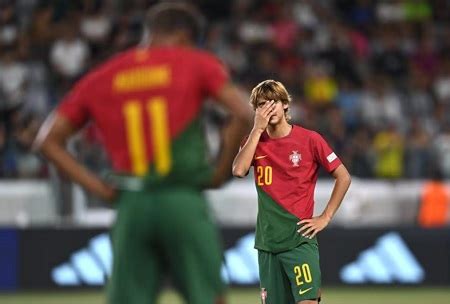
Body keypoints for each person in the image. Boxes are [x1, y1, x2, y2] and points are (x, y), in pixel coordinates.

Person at [34, 2, 251, 304]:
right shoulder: (195, 63)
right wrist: (221, 171)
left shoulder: (103, 76)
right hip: (182, 199)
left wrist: (98, 188)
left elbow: (47, 141)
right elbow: (244, 112)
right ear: (184, 36)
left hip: (132, 202)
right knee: (209, 298)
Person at [232, 80, 351, 304]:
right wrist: (257, 128)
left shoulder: (310, 139)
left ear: (285, 105)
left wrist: (325, 217)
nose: (268, 108)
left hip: (300, 240)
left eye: (273, 102)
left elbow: (343, 176)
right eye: (261, 105)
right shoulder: (254, 141)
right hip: (268, 245)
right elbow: (238, 170)